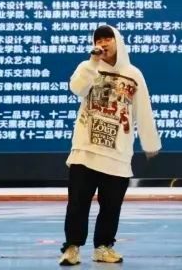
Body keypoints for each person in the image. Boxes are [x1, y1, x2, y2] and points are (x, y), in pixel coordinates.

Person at [59, 23, 161, 266]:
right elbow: (77, 88)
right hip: (85, 150)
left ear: (118, 41)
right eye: (98, 40)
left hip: (117, 154)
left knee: (111, 206)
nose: (102, 44)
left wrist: (150, 142)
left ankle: (103, 247)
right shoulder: (87, 67)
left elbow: (143, 110)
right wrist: (93, 63)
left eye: (107, 39)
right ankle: (72, 248)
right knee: (78, 203)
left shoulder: (133, 74)